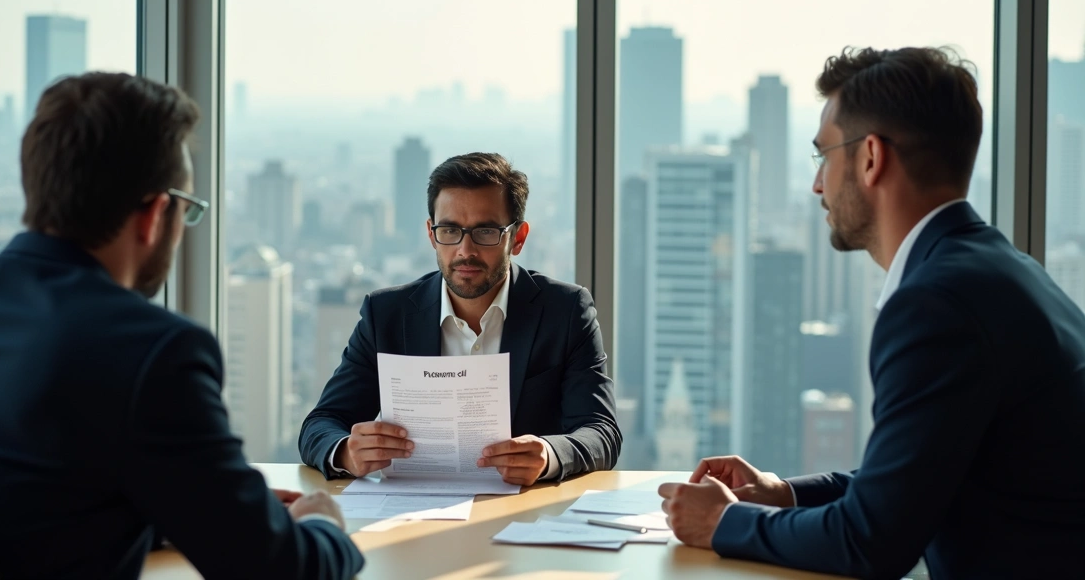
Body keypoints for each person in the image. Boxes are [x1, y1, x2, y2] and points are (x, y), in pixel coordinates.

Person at [0, 73, 364, 579]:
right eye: (185, 211)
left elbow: (10, 507)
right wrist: (322, 522)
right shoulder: (151, 351)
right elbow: (286, 573)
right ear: (154, 215)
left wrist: (186, 506)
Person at [657, 46, 1085, 579]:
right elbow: (917, 478)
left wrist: (723, 522)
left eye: (823, 157)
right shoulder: (1001, 269)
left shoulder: (936, 305)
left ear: (870, 158)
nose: (817, 184)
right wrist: (783, 495)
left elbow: (871, 541)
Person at [300, 152, 621, 486]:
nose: (465, 250)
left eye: (485, 232)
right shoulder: (386, 314)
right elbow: (320, 425)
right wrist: (345, 452)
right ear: (431, 233)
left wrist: (549, 454)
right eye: (450, 230)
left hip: (525, 515)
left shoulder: (566, 311)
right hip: (411, 517)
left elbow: (602, 433)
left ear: (519, 237)